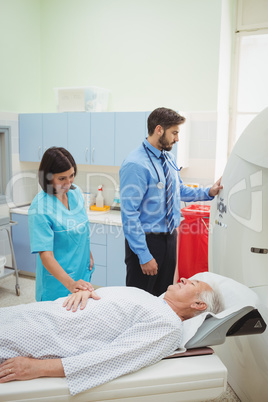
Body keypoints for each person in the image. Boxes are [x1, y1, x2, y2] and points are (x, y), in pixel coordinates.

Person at [0, 278, 224, 396]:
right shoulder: (153, 300)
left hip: (43, 335)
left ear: (198, 304)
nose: (184, 278)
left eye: (191, 283)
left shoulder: (168, 325)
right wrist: (87, 292)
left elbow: (112, 358)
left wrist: (37, 368)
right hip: (44, 314)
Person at [119, 107, 223, 296]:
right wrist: (144, 255)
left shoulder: (169, 159)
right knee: (139, 299)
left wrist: (209, 191)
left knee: (164, 296)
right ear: (159, 129)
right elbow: (129, 214)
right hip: (146, 241)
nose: (177, 138)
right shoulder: (135, 164)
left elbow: (178, 190)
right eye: (174, 133)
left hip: (169, 239)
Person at [28, 147, 95, 301]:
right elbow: (46, 255)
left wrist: (89, 255)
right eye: (62, 178)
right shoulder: (40, 208)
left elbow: (81, 228)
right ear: (48, 177)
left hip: (81, 273)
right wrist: (71, 284)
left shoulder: (75, 192)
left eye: (71, 176)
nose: (68, 182)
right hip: (58, 282)